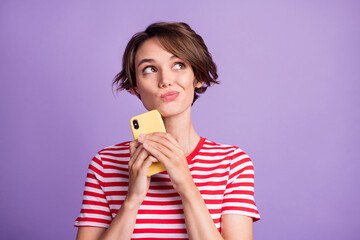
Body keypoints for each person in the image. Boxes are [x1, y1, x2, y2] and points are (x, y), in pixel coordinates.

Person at [75, 22, 260, 240]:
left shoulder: (232, 164)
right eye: (150, 69)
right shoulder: (105, 164)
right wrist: (132, 199)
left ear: (198, 77)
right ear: (135, 86)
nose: (166, 81)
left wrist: (186, 185)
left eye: (179, 65)